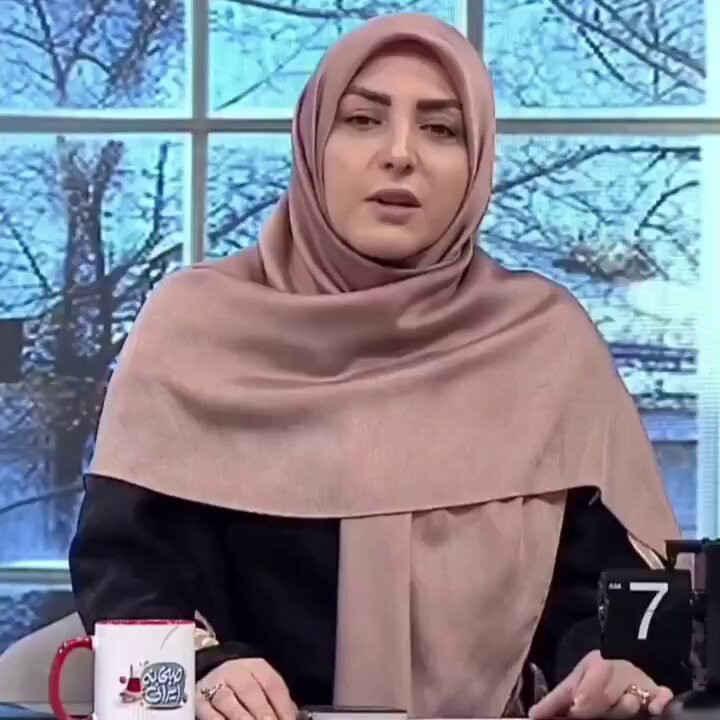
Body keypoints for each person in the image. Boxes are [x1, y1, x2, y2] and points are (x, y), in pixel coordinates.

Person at [69, 13, 687, 720]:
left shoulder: (546, 343)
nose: (400, 154)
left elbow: (607, 601)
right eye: (363, 120)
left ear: (479, 163)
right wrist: (200, 672)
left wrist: (611, 670)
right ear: (312, 144)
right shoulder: (193, 327)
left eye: (441, 129)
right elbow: (124, 577)